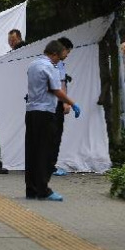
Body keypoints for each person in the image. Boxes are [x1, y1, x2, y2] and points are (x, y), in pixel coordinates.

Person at [25, 40, 81, 202]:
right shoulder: (50, 67)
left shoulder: (33, 64)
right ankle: (44, 189)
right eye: (60, 56)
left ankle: (31, 188)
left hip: (31, 111)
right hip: (45, 113)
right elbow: (56, 90)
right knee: (46, 151)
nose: (60, 60)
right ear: (54, 54)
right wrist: (72, 103)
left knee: (32, 151)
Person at [52, 37, 74, 177]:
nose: (67, 55)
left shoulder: (47, 61)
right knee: (54, 135)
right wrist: (66, 103)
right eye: (68, 51)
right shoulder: (57, 63)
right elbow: (61, 84)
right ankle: (50, 166)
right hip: (56, 104)